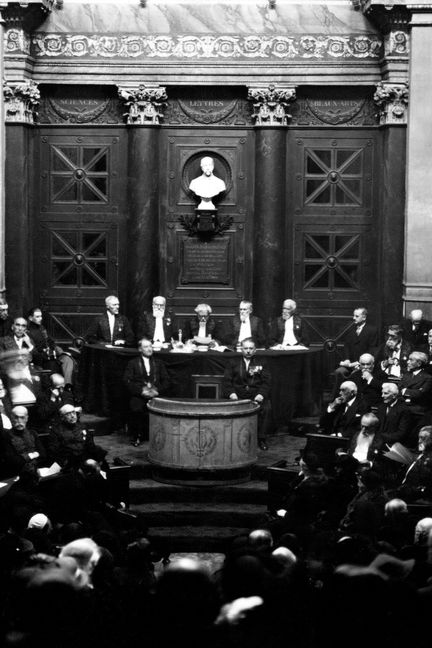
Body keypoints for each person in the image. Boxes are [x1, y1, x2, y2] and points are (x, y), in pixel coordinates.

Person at [222, 337, 271, 450]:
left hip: (256, 395)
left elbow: (267, 382)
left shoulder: (262, 362)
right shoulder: (232, 362)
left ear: (255, 350)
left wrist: (261, 395)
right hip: (237, 396)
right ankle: (233, 439)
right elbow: (227, 381)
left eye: (251, 348)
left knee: (266, 408)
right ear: (241, 349)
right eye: (245, 348)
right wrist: (232, 394)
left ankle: (261, 439)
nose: (248, 351)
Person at [123, 338, 170, 446]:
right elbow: (127, 381)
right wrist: (141, 392)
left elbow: (166, 380)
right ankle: (137, 436)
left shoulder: (159, 363)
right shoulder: (133, 363)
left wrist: (157, 391)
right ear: (140, 349)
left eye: (150, 346)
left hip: (156, 394)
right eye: (146, 347)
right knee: (136, 407)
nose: (149, 349)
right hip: (139, 394)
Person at [331, 307, 378, 397]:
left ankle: (352, 400)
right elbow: (346, 346)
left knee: (355, 375)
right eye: (353, 316)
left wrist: (360, 363)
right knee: (339, 372)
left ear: (364, 317)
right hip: (350, 363)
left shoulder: (372, 330)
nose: (353, 318)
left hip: (363, 364)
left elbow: (372, 349)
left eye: (356, 316)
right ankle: (336, 398)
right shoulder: (350, 328)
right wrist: (347, 359)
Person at [47, 403, 107, 469]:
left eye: (73, 413)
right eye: (68, 414)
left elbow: (90, 445)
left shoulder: (82, 427)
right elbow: (55, 450)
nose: (72, 416)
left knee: (100, 462)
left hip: (84, 457)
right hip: (68, 460)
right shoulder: (56, 430)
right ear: (62, 417)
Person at [27, 307, 76, 385]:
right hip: (43, 361)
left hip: (52, 356)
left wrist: (55, 348)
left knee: (68, 359)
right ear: (30, 318)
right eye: (37, 317)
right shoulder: (28, 332)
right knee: (56, 373)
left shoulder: (41, 328)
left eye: (41, 316)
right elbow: (34, 351)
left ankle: (68, 386)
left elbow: (50, 341)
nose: (40, 318)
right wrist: (45, 351)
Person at [6, 405, 47, 474]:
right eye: (16, 417)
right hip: (17, 473)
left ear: (27, 418)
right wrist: (33, 455)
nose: (19, 421)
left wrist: (25, 457)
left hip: (37, 470)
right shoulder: (6, 436)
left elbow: (43, 454)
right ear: (11, 418)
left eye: (22, 417)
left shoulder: (33, 433)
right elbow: (14, 461)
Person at [396, 426, 432, 502]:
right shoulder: (417, 454)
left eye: (423, 438)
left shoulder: (429, 461)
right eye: (419, 438)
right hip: (402, 494)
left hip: (418, 501)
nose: (419, 441)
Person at [376, 382, 414, 449]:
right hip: (378, 442)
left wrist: (382, 437)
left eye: (385, 393)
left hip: (393, 444)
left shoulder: (404, 410)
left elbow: (402, 433)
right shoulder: (381, 407)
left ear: (394, 395)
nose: (382, 396)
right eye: (382, 393)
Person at [399, 351, 432, 426]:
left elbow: (420, 394)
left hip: (417, 412)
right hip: (403, 407)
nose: (407, 362)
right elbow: (398, 391)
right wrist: (412, 392)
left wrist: (404, 391)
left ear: (419, 363)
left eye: (411, 360)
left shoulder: (428, 378)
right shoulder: (406, 376)